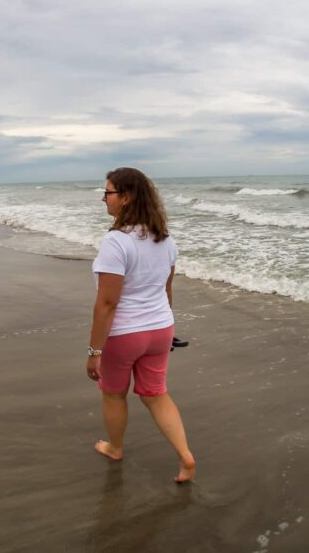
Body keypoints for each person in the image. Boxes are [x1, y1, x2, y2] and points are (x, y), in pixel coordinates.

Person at [86, 167, 196, 483]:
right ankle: (185, 456)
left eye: (108, 192)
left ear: (126, 197)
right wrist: (168, 328)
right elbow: (166, 289)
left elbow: (107, 303)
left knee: (113, 393)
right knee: (156, 394)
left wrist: (94, 350)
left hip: (125, 334)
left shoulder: (116, 242)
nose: (103, 198)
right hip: (161, 328)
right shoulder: (166, 240)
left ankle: (115, 447)